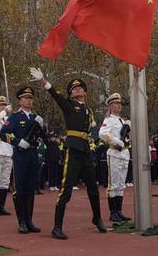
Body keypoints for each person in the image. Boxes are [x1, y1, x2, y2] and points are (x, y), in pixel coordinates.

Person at [30, 67, 107, 240]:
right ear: (71, 94)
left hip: (86, 149)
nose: (78, 90)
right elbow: (55, 95)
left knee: (93, 188)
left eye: (80, 88)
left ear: (85, 92)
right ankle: (57, 227)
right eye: (74, 89)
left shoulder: (88, 110)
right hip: (73, 149)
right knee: (66, 189)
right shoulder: (69, 105)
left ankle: (97, 218)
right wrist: (44, 80)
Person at [1, 86, 44, 234]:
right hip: (20, 156)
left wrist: (42, 126)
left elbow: (43, 136)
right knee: (20, 189)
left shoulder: (35, 118)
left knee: (30, 189)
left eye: (30, 98)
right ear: (20, 100)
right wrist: (18, 142)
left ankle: (29, 220)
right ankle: (21, 221)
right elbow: (3, 133)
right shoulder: (14, 117)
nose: (28, 101)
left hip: (32, 154)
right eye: (25, 98)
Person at [99, 93, 131, 223]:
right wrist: (118, 142)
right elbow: (103, 134)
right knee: (114, 184)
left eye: (120, 104)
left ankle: (119, 211)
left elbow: (129, 137)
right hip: (114, 153)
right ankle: (113, 212)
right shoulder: (109, 120)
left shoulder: (123, 121)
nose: (119, 106)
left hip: (124, 153)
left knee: (121, 184)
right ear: (111, 105)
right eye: (117, 104)